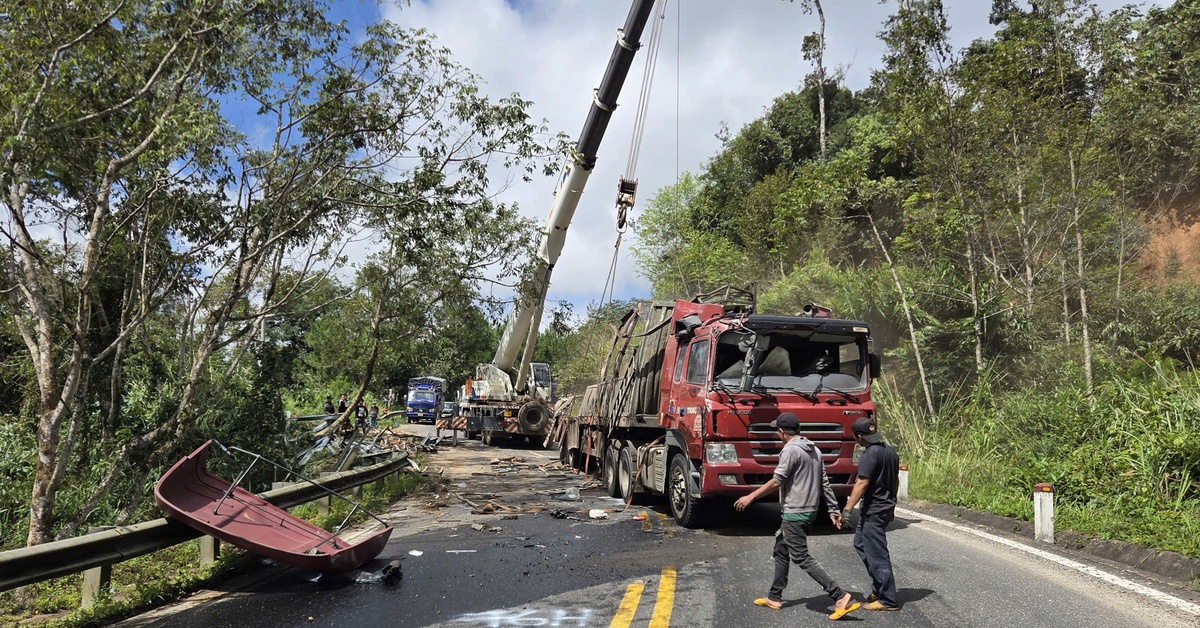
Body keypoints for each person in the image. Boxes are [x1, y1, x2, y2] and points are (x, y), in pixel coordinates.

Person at [735, 412, 860, 620]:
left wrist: (751, 496)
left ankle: (839, 595)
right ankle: (774, 596)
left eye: (778, 430)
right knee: (781, 549)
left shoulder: (790, 450)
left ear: (782, 431)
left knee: (801, 556)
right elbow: (825, 483)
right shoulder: (815, 450)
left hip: (795, 512)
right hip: (809, 510)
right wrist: (832, 509)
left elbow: (777, 480)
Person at [843, 416, 901, 611]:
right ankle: (879, 585)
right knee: (860, 543)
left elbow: (862, 483)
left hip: (875, 509)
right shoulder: (890, 452)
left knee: (877, 552)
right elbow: (896, 480)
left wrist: (847, 509)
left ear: (859, 437)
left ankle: (888, 599)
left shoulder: (869, 454)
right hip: (884, 507)